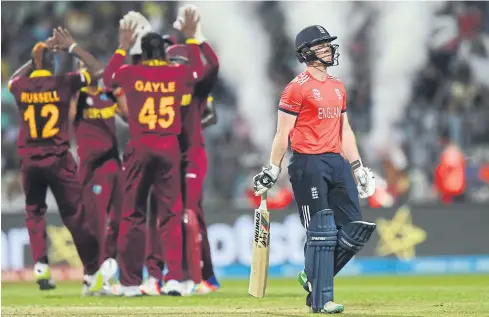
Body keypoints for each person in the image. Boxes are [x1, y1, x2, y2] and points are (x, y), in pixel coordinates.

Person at [252, 25, 377, 313]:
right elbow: (282, 133)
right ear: (306, 52)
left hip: (337, 161)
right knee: (321, 231)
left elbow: (345, 129)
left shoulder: (338, 85)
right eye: (322, 45)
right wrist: (272, 169)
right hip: (308, 162)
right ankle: (322, 301)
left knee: (355, 229)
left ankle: (312, 276)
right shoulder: (296, 88)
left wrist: (357, 167)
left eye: (329, 44)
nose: (329, 49)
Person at [7, 27, 117, 293]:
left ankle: (41, 264)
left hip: (29, 160)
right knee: (75, 216)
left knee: (34, 211)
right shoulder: (64, 82)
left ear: (33, 65)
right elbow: (98, 70)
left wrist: (37, 55)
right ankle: (92, 272)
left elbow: (11, 79)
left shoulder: (22, 86)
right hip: (57, 160)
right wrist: (71, 46)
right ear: (54, 64)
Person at [104, 11, 203, 297]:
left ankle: (131, 282)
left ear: (142, 53)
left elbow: (108, 78)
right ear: (164, 52)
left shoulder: (130, 72)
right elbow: (197, 72)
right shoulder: (178, 72)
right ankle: (172, 278)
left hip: (140, 144)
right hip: (169, 145)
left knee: (133, 214)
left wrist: (122, 46)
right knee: (170, 214)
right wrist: (190, 38)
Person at [70, 59, 126, 295]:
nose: (90, 70)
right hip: (92, 170)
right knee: (95, 224)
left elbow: (127, 116)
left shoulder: (108, 95)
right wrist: (74, 86)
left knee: (121, 220)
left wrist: (118, 90)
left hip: (114, 164)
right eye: (84, 66)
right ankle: (90, 276)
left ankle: (104, 270)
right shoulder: (78, 97)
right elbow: (70, 116)